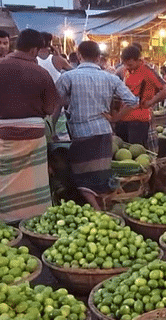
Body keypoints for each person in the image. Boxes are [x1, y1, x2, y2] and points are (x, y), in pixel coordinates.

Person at [0, 29, 59, 222]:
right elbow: (49, 108)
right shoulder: (42, 73)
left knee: (3, 180)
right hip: (34, 133)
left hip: (4, 132)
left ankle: (6, 219)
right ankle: (35, 219)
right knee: (34, 181)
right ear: (34, 50)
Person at [54, 40, 139, 210]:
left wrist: (52, 127)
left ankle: (98, 211)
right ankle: (102, 208)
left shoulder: (68, 77)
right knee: (100, 176)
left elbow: (55, 104)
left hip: (82, 133)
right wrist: (115, 118)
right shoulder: (110, 77)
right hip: (103, 132)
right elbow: (133, 101)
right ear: (99, 57)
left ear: (79, 56)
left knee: (81, 176)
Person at [116, 44, 166, 146]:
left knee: (137, 152)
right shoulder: (126, 70)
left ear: (138, 60)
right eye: (125, 64)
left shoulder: (147, 71)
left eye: (130, 64)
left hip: (139, 120)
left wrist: (150, 102)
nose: (127, 67)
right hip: (123, 118)